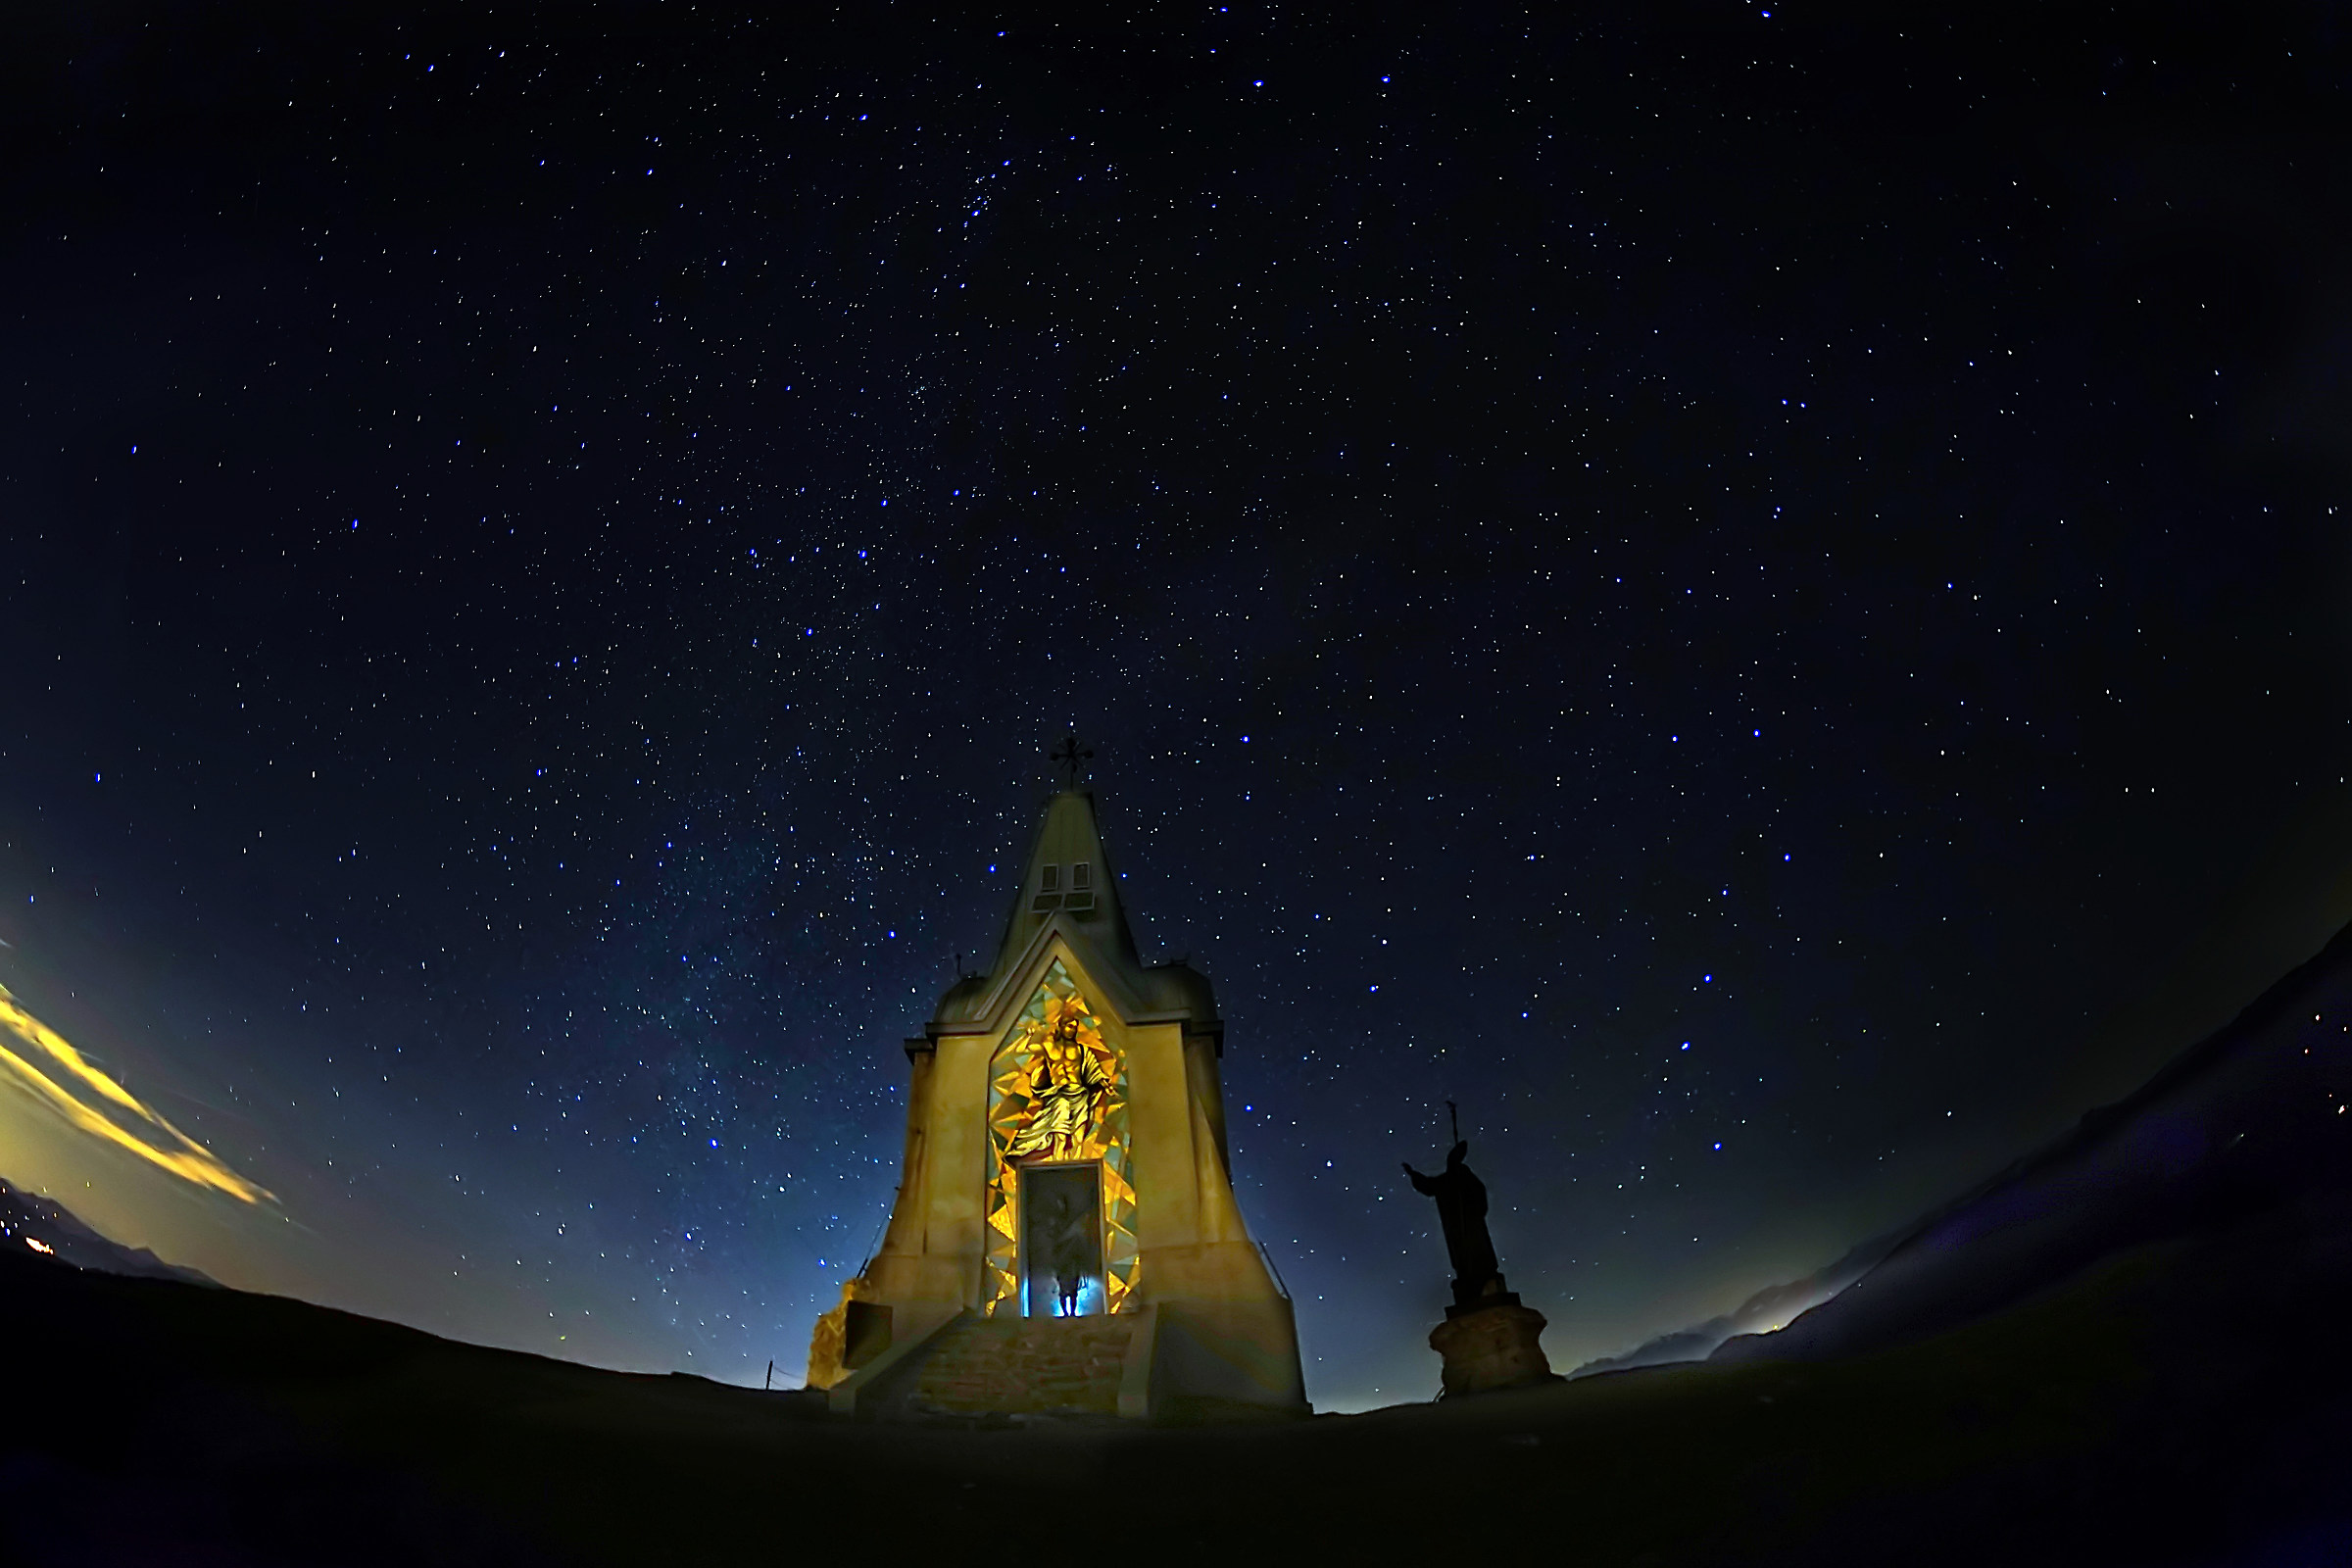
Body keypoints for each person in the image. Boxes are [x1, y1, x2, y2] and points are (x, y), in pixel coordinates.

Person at [1402, 1140, 1501, 1300]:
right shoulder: (1445, 1181)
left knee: (1479, 1249)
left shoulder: (1465, 1176)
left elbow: (1479, 1192)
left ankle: (1486, 1275)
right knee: (1461, 1253)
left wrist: (1475, 1209)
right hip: (1455, 1225)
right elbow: (1428, 1185)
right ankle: (1466, 1278)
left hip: (1472, 1223)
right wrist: (1413, 1174)